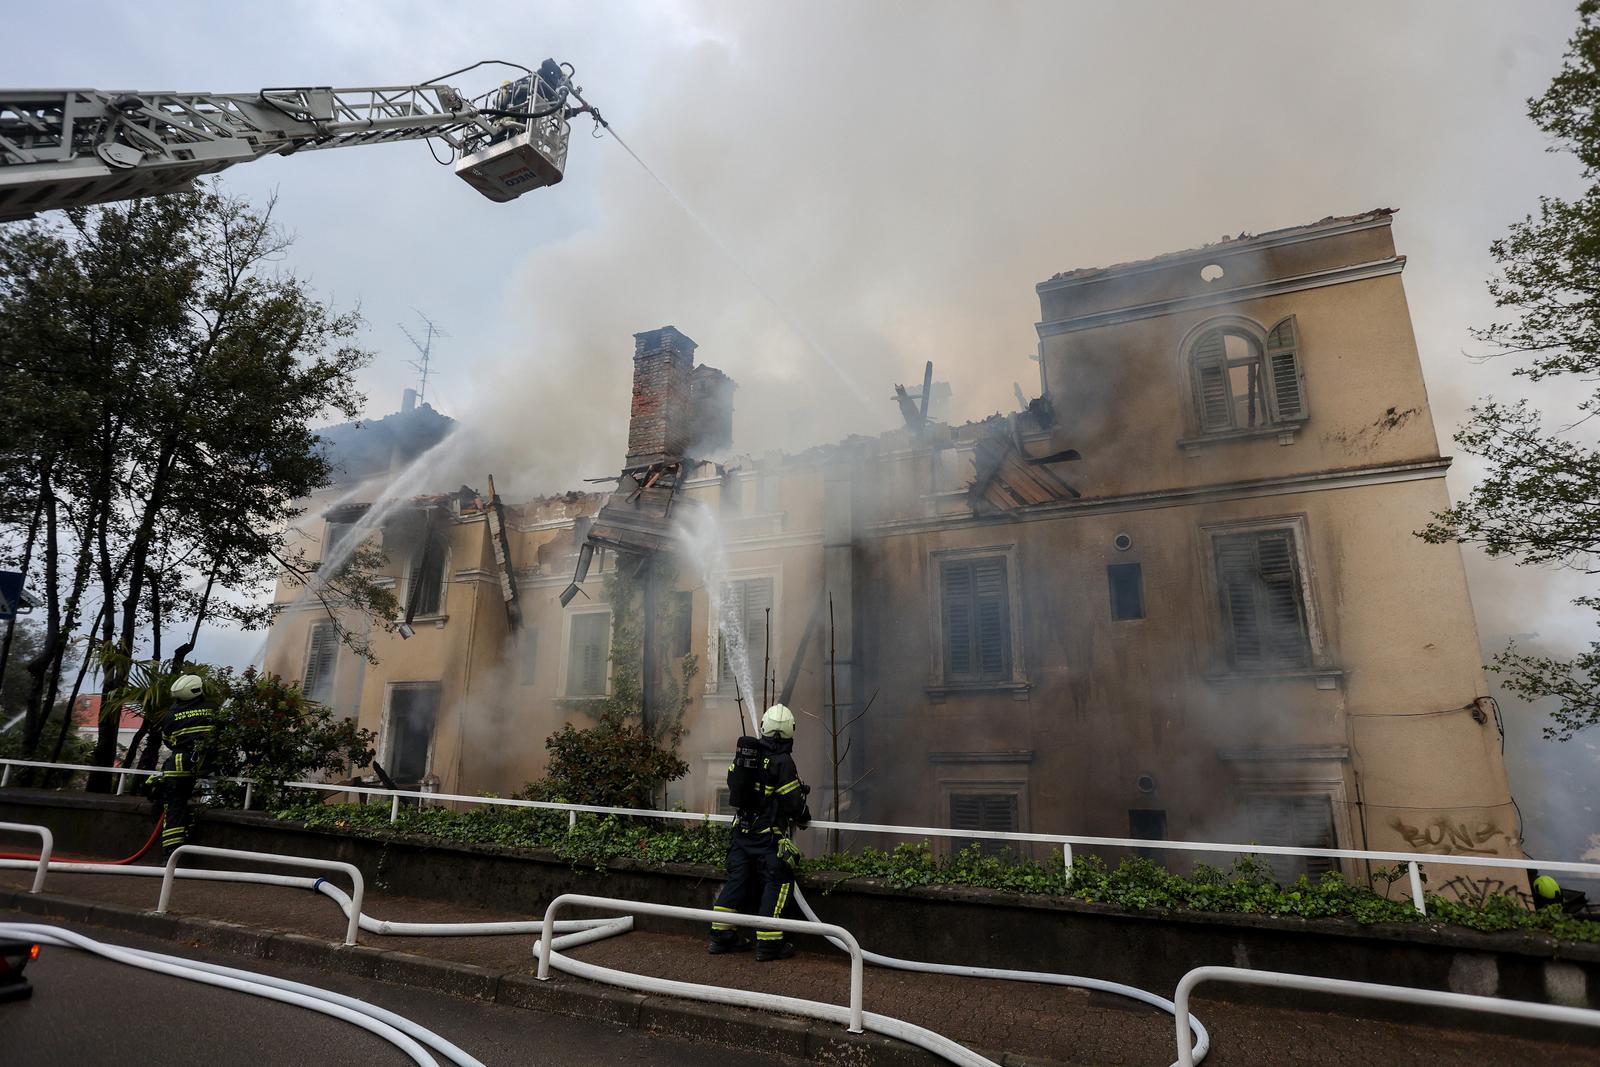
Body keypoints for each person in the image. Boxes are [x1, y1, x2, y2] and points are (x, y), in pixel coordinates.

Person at [709, 703, 811, 961]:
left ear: (764, 726)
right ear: (790, 731)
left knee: (738, 879)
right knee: (779, 881)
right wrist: (804, 814)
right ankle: (769, 943)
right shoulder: (782, 762)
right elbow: (793, 804)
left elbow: (733, 782)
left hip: (741, 834)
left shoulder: (748, 755)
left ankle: (721, 936)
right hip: (767, 838)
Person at [153, 673, 220, 857]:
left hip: (178, 766)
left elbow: (168, 741)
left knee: (175, 807)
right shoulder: (212, 709)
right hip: (208, 764)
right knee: (209, 796)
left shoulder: (171, 715)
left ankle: (170, 855)